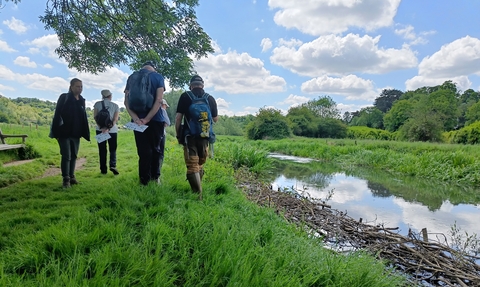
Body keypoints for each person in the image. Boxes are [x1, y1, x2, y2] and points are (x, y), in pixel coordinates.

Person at [175, 75, 218, 199]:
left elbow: (178, 118)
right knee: (200, 163)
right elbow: (215, 119)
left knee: (192, 164)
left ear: (191, 85)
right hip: (205, 136)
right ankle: (198, 190)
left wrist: (178, 135)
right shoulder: (210, 98)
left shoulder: (185, 96)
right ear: (202, 85)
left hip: (190, 136)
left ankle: (197, 195)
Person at [124, 61, 166, 185]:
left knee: (143, 151)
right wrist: (147, 119)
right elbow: (159, 100)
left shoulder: (131, 77)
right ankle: (155, 177)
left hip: (137, 121)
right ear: (153, 68)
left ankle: (144, 180)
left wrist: (136, 119)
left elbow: (126, 102)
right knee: (156, 149)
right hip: (155, 119)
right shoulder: (158, 77)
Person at [49, 78, 90, 188]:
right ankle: (65, 179)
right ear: (71, 87)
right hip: (64, 133)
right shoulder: (64, 97)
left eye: (81, 86)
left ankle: (72, 177)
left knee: (74, 155)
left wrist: (84, 131)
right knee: (66, 155)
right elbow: (57, 114)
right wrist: (56, 133)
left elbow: (83, 117)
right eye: (77, 86)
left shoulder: (81, 100)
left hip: (76, 133)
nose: (80, 89)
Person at [93, 89, 120, 175]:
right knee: (112, 149)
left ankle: (103, 169)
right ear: (110, 96)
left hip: (100, 130)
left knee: (102, 149)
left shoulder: (97, 104)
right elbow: (115, 119)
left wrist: (102, 127)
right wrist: (109, 128)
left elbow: (95, 117)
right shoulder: (115, 106)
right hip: (112, 130)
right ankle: (113, 165)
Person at [158, 98, 171, 183]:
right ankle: (157, 173)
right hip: (161, 134)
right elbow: (168, 123)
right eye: (166, 106)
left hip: (150, 134)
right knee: (160, 154)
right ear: (163, 105)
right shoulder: (162, 110)